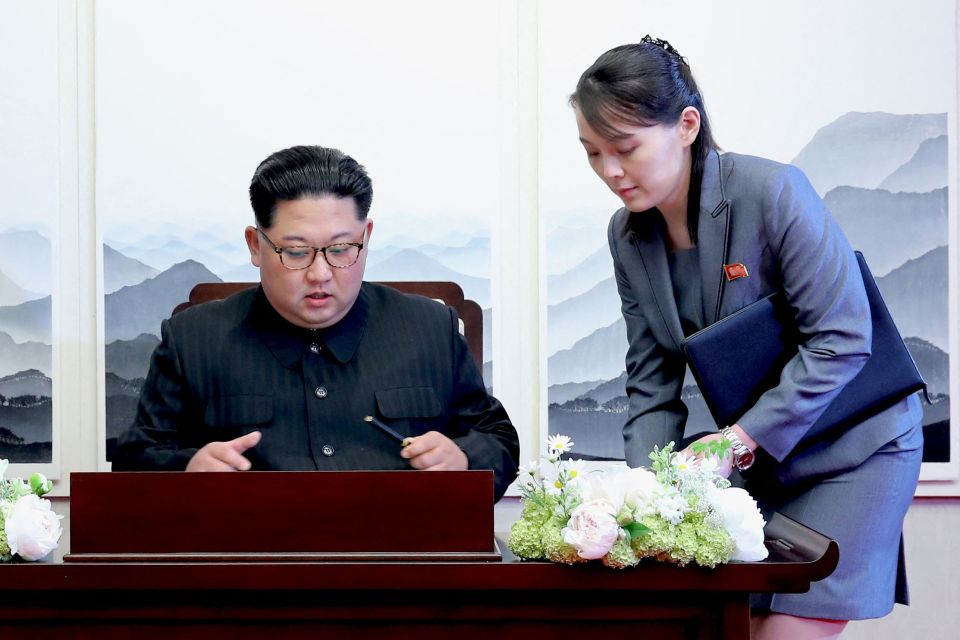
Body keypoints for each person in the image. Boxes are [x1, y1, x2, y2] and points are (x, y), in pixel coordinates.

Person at [570, 37, 922, 639]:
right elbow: (651, 383)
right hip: (755, 464)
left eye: (625, 148)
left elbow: (842, 337)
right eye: (592, 153)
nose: (610, 171)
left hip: (855, 450)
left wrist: (737, 441)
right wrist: (640, 500)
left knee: (783, 632)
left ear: (686, 126)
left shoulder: (774, 191)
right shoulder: (626, 236)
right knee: (718, 626)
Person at [113, 145, 520, 501]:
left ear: (367, 236)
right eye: (296, 252)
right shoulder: (194, 339)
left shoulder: (429, 328)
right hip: (248, 570)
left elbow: (497, 438)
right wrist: (188, 469)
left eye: (342, 249)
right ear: (257, 245)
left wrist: (464, 458)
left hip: (399, 568)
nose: (320, 273)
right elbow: (135, 459)